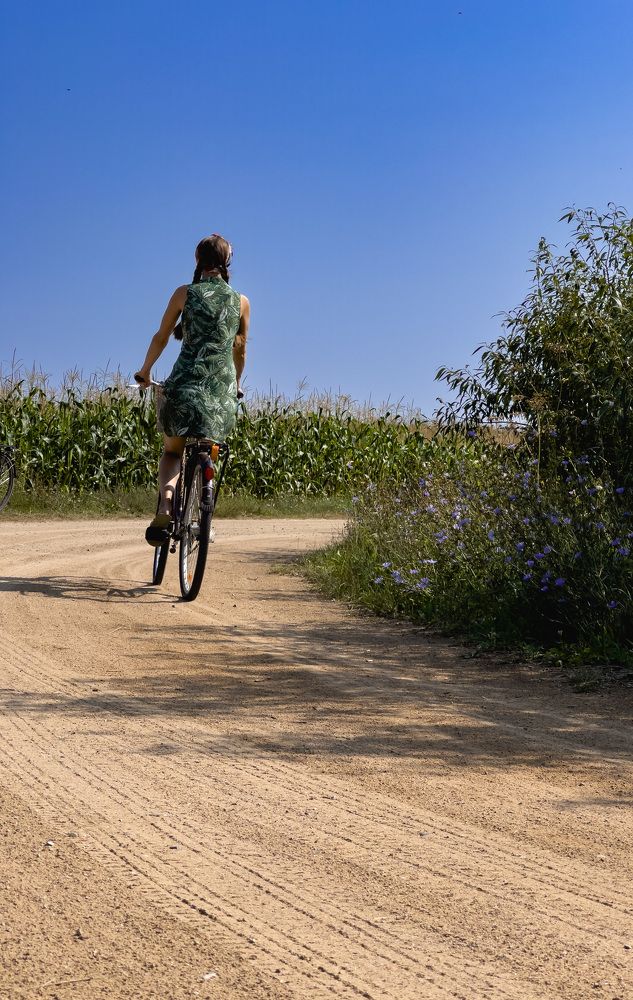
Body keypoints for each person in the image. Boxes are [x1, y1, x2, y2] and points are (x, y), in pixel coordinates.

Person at [135, 234, 250, 545]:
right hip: (220, 393)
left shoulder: (184, 294)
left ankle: (166, 504)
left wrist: (145, 372)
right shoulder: (241, 302)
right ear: (228, 263)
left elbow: (161, 337)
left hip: (184, 388)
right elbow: (239, 350)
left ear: (198, 260)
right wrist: (236, 385)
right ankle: (205, 504)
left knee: (172, 451)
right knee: (208, 449)